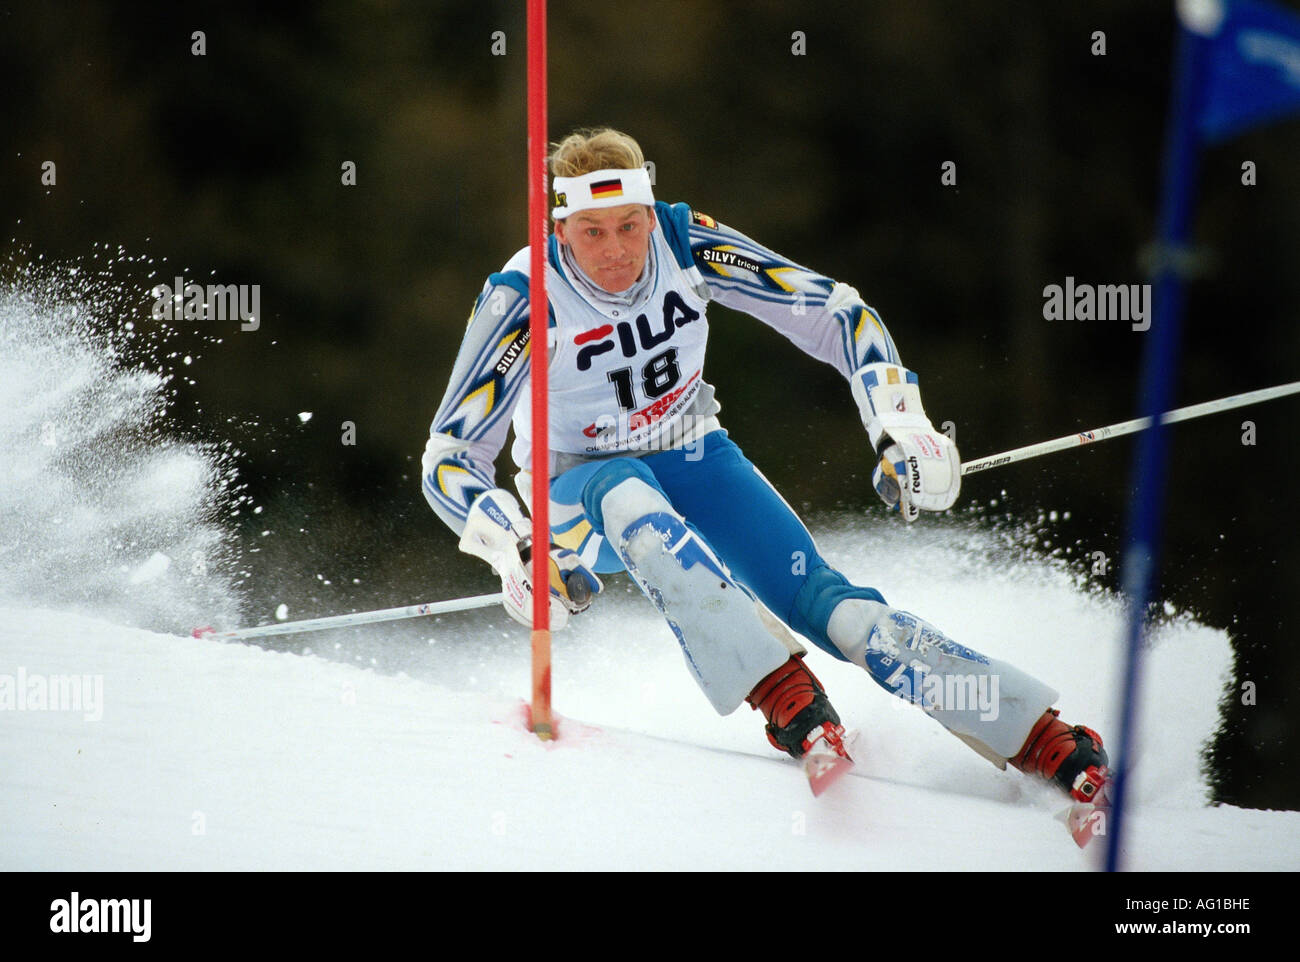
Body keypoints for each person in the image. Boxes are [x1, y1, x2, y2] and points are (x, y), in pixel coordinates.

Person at [421, 127, 1108, 803]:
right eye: (593, 232)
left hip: (693, 453)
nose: (617, 252)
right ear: (561, 227)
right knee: (629, 495)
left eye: (629, 226)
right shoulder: (524, 295)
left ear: (649, 211)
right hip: (579, 495)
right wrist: (514, 548)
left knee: (833, 611)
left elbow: (837, 312)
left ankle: (1042, 737)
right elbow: (451, 454)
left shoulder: (684, 241)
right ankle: (788, 699)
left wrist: (901, 423)